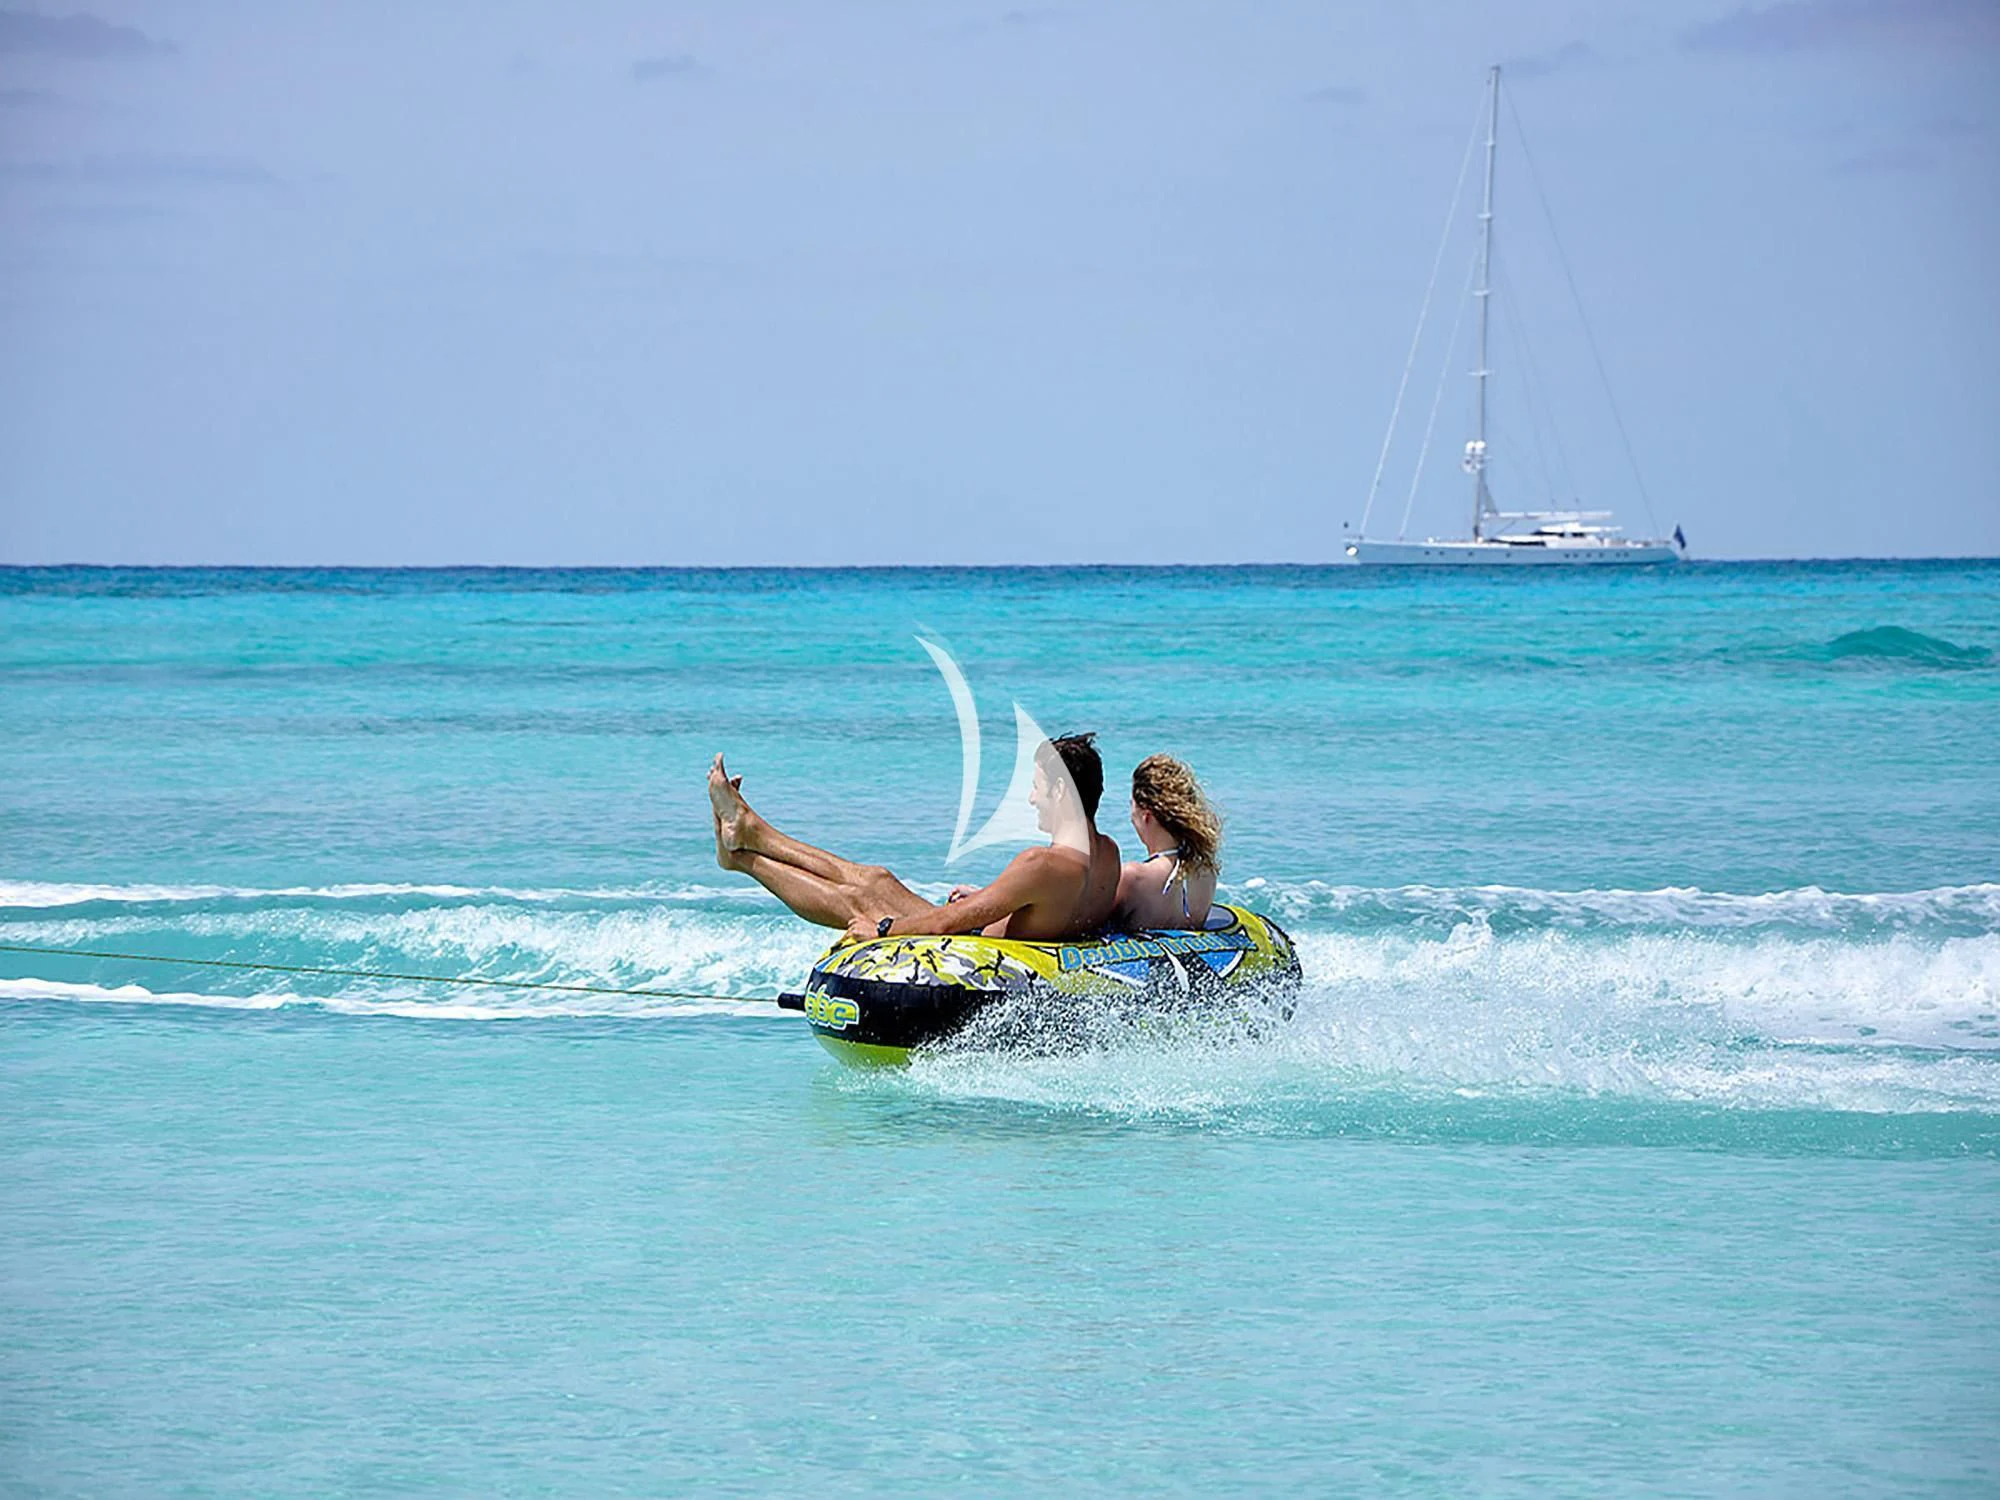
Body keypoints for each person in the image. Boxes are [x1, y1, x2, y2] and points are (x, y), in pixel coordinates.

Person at [707, 733, 1121, 945]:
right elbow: (1054, 907)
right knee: (877, 878)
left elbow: (946, 922)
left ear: (1062, 791)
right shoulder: (1109, 855)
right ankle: (752, 832)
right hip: (993, 938)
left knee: (860, 901)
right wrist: (995, 897)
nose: (1032, 798)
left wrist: (883, 930)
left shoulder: (1041, 864)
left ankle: (743, 858)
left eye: (1037, 787)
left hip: (971, 949)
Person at [1113, 753, 1222, 931]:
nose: (1131, 817)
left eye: (1131, 805)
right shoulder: (1205, 870)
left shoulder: (1133, 878)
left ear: (1146, 816)